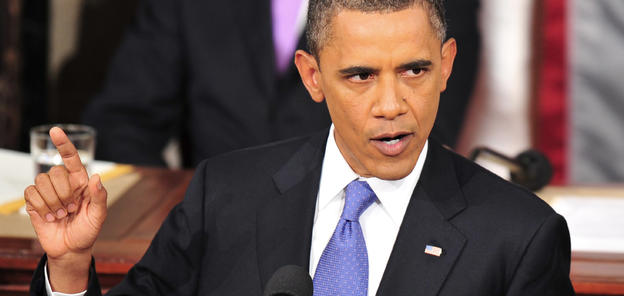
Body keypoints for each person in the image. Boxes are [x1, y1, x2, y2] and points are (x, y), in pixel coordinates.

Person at [24, 1, 579, 296]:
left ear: (447, 64)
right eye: (360, 76)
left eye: (414, 70)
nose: (392, 104)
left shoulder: (519, 238)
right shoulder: (226, 196)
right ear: (313, 77)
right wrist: (69, 268)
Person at [80, 0, 480, 167]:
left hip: (355, 243)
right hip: (211, 248)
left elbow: (418, 133)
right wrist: (186, 220)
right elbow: (124, 121)